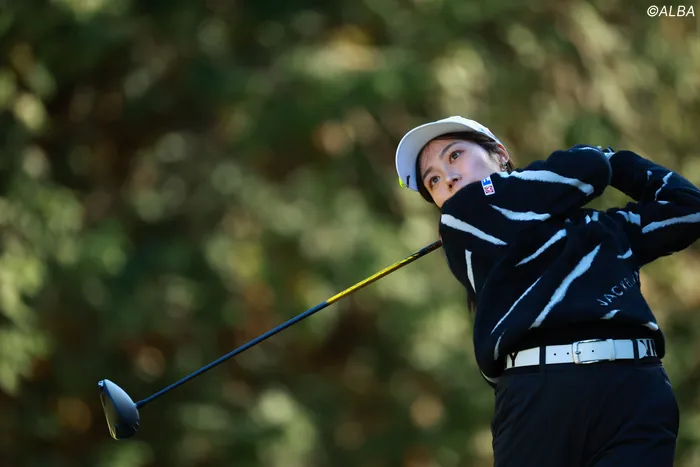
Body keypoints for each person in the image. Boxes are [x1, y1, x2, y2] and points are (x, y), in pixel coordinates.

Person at [394, 115, 700, 466]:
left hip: (636, 393)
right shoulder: (459, 217)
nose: (448, 178)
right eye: (433, 180)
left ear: (500, 154)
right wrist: (602, 158)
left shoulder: (602, 228)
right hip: (540, 400)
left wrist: (617, 161)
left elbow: (688, 208)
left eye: (454, 155)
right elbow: (587, 167)